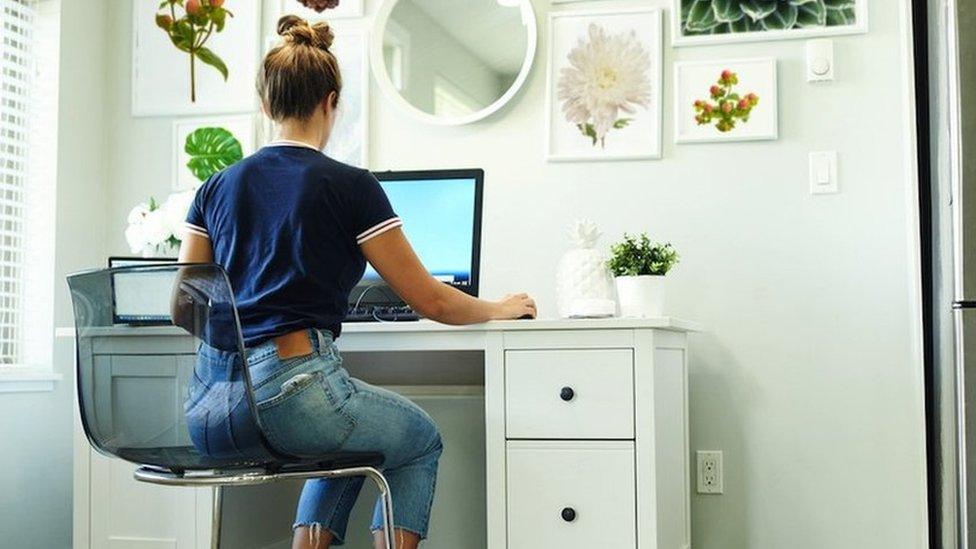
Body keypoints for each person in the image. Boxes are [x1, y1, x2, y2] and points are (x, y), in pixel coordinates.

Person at [176, 14, 536, 549]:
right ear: (331, 101)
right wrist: (501, 308)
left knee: (339, 442)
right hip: (291, 400)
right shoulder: (350, 186)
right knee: (417, 444)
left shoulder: (214, 187)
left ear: (265, 104)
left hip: (208, 410)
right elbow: (431, 300)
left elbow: (185, 308)